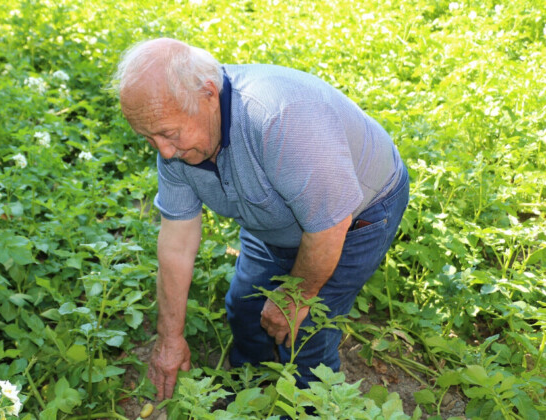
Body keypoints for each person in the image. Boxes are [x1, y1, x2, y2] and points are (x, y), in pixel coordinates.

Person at [112, 38, 409, 401]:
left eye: (169, 134)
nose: (164, 151)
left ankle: (310, 406)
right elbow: (176, 243)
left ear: (208, 93)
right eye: (149, 138)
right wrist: (169, 338)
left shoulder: (279, 118)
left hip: (356, 216)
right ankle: (249, 393)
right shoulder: (177, 146)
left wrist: (295, 296)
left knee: (305, 331)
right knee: (246, 308)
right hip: (274, 220)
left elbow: (329, 226)